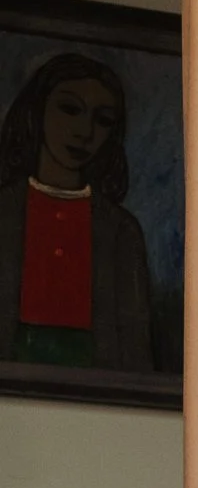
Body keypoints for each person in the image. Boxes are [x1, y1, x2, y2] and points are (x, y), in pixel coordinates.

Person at [0, 50, 161, 374]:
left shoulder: (120, 230)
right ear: (38, 110)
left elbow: (135, 347)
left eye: (102, 120)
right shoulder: (5, 209)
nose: (84, 132)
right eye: (70, 109)